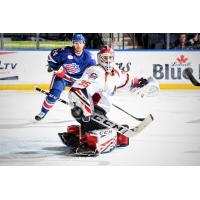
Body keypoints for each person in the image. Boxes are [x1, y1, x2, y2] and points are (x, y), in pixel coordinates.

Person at [58, 46, 151, 156]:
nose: (107, 60)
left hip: (100, 113)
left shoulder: (116, 72)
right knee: (110, 132)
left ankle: (77, 135)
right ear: (99, 58)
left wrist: (138, 82)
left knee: (106, 129)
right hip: (90, 112)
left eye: (110, 57)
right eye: (104, 57)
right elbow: (77, 90)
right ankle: (91, 143)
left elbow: (126, 81)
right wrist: (83, 107)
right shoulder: (95, 72)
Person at [35, 34, 96, 121]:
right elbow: (51, 57)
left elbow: (94, 70)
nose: (78, 45)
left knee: (84, 99)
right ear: (73, 43)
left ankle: (87, 113)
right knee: (53, 95)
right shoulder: (65, 52)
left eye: (80, 43)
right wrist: (54, 67)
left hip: (78, 81)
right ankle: (43, 112)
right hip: (63, 78)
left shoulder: (89, 57)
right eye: (76, 43)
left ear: (84, 44)